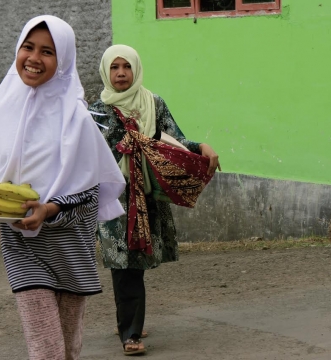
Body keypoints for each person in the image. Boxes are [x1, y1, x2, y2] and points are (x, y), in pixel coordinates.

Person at [0, 16, 126, 360]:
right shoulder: (1, 109)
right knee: (46, 350)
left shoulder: (77, 121)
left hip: (71, 249)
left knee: (68, 350)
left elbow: (91, 193)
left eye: (48, 51)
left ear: (64, 62)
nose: (34, 58)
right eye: (28, 47)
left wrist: (49, 209)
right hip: (22, 246)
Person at [88, 44, 220, 356]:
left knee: (134, 262)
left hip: (146, 195)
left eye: (127, 66)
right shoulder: (95, 111)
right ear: (106, 72)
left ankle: (128, 318)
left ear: (136, 69)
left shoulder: (153, 103)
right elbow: (91, 155)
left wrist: (201, 146)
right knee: (125, 262)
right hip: (115, 198)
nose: (121, 73)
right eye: (114, 67)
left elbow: (172, 139)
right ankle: (130, 333)